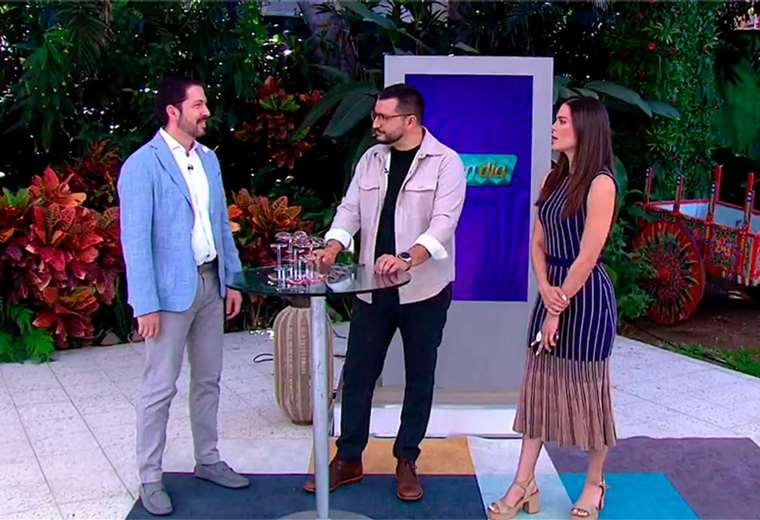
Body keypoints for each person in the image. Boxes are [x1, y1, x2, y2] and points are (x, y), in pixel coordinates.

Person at [304, 83, 467, 501]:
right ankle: (348, 458)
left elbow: (444, 223)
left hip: (425, 290)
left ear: (409, 121)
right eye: (375, 115)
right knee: (358, 374)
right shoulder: (371, 159)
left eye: (382, 117)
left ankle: (407, 459)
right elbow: (349, 210)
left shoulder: (446, 163)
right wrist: (333, 246)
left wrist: (407, 258)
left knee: (419, 377)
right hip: (371, 289)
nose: (374, 123)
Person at [118, 77, 248, 516]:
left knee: (209, 379)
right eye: (198, 105)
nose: (206, 111)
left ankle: (208, 460)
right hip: (168, 296)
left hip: (210, 284)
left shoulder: (208, 159)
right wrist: (145, 305)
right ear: (173, 111)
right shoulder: (142, 165)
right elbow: (135, 242)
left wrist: (233, 280)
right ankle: (150, 478)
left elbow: (219, 223)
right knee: (159, 388)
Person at [487, 97, 618, 520]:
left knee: (589, 395)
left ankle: (594, 484)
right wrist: (544, 289)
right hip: (552, 293)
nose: (554, 126)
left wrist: (556, 308)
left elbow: (588, 255)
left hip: (586, 298)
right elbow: (538, 242)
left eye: (562, 120)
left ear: (585, 128)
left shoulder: (601, 184)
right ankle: (523, 482)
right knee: (539, 391)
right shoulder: (552, 177)